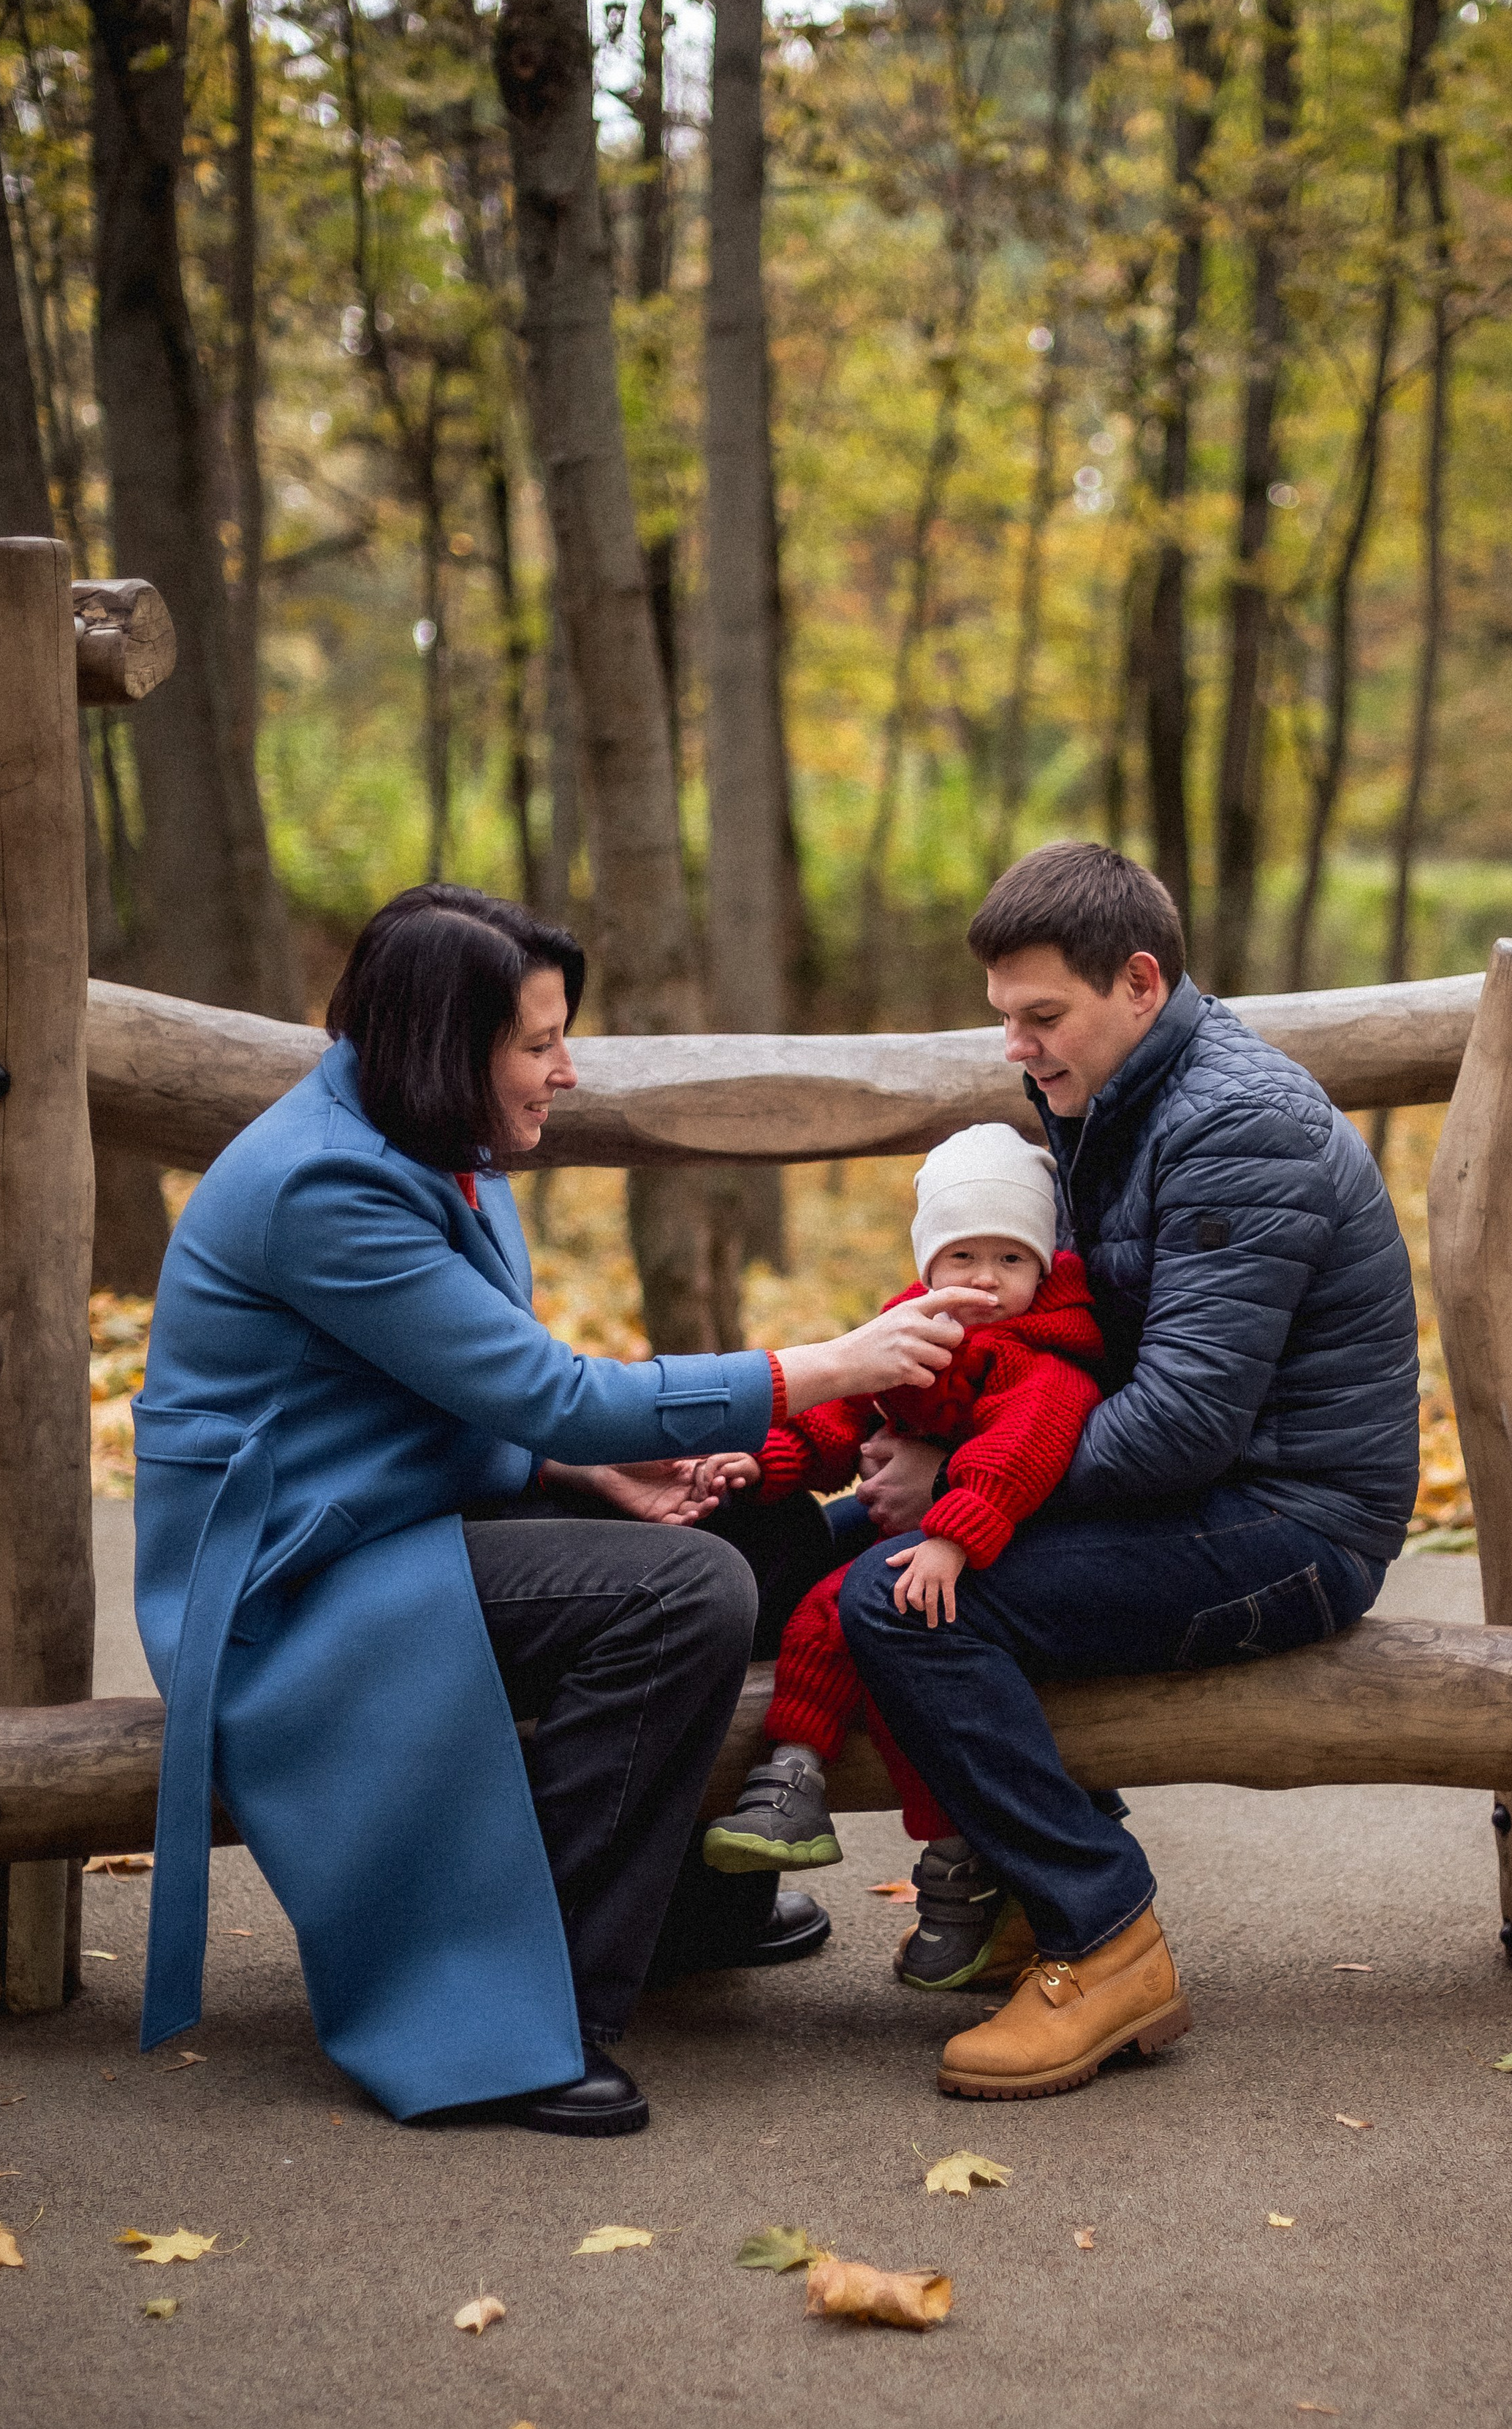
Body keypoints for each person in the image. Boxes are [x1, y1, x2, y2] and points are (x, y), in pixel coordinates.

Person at [132, 886, 991, 2137]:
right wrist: (829, 1366)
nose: (568, 1070)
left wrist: (583, 1476)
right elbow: (548, 1389)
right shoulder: (325, 1187)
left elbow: (441, 1392)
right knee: (684, 1593)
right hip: (293, 1579)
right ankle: (525, 2016)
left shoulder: (432, 1143)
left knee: (728, 1538)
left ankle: (678, 1911)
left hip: (395, 1519)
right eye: (538, 1043)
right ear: (449, 1047)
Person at [835, 842, 1421, 2105]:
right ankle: (1014, 1897)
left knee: (904, 1593)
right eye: (1004, 1019)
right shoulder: (1122, 1098)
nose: (1018, 1048)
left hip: (1291, 1525)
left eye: (1043, 1016)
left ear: (1141, 984)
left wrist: (954, 1480)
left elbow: (1178, 1426)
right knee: (840, 1546)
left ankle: (1106, 1941)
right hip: (1210, 1496)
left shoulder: (1231, 1124)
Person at [694, 1122, 1104, 1991]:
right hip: (914, 1541)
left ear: (1043, 1269)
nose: (985, 1281)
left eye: (1010, 1259)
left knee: (860, 1618)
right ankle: (792, 1774)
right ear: (928, 1264)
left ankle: (952, 1868)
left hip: (988, 1550)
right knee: (819, 1610)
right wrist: (763, 1459)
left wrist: (952, 1539)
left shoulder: (1043, 1361)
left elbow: (1019, 1455)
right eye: (962, 1257)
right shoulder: (910, 1332)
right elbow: (840, 1417)